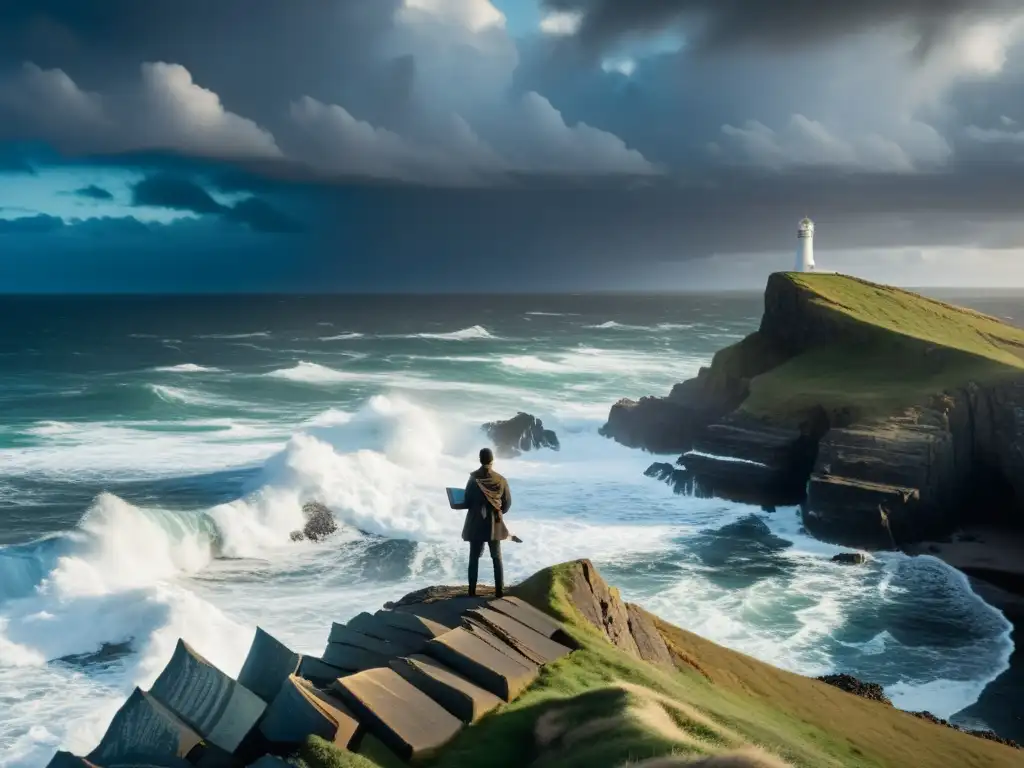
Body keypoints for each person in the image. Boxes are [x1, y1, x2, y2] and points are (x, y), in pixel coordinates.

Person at [456, 447, 511, 598]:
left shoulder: (473, 479)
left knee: (474, 557)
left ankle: (472, 592)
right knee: (496, 557)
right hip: (494, 523)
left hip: (476, 523)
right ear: (492, 461)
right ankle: (499, 592)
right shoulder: (501, 479)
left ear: (480, 460)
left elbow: (467, 501)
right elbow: (507, 504)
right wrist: (496, 514)